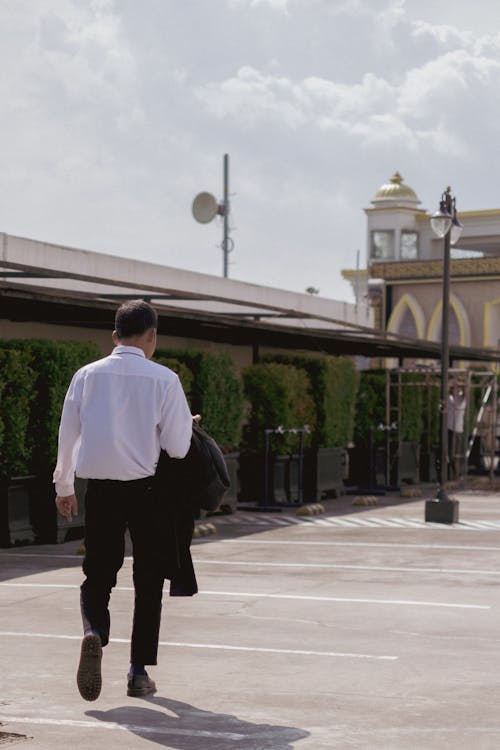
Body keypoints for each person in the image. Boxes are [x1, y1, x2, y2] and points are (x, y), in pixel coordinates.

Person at [53, 300, 193, 701]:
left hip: (99, 489)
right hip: (147, 490)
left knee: (98, 572)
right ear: (152, 336)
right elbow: (178, 447)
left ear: (114, 337)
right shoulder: (164, 379)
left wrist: (64, 487)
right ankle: (137, 672)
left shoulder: (86, 376)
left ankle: (94, 630)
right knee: (148, 580)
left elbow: (68, 435)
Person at [447, 384, 467, 480]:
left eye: (455, 388)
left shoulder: (461, 400)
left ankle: (456, 474)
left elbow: (466, 394)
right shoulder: (449, 399)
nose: (453, 390)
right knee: (449, 453)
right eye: (452, 388)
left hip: (457, 430)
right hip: (449, 429)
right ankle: (453, 474)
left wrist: (462, 385)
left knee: (455, 454)